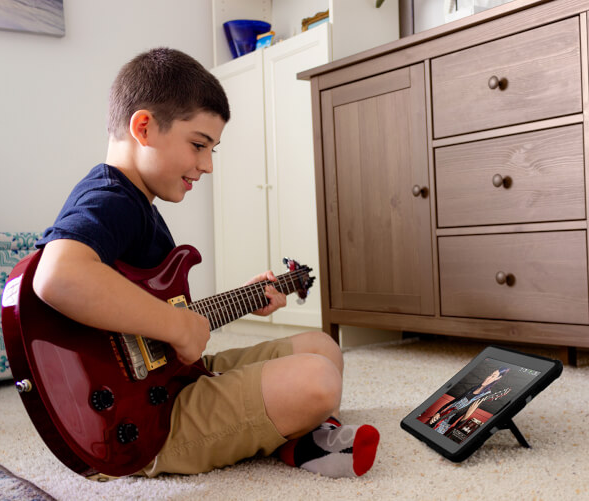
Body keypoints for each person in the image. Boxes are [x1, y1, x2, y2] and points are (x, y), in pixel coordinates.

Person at [32, 47, 379, 478]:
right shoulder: (110, 199)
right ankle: (302, 441)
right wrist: (179, 326)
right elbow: (57, 276)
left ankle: (290, 435)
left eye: (212, 149)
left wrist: (241, 300)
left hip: (172, 381)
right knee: (317, 381)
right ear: (143, 127)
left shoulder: (135, 205)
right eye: (198, 144)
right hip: (143, 425)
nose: (208, 165)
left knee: (323, 347)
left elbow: (146, 320)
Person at [428, 367, 509, 435]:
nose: (488, 378)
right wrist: (438, 413)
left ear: (498, 378)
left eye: (493, 376)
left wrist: (467, 415)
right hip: (439, 417)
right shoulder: (473, 388)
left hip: (443, 426)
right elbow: (452, 403)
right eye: (490, 375)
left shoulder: (485, 396)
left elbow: (458, 424)